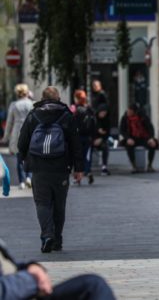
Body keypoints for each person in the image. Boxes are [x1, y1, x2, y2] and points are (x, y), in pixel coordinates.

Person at [17, 86, 83, 253]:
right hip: (61, 167)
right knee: (59, 205)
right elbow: (76, 144)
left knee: (42, 203)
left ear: (42, 97)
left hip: (39, 168)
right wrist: (79, 168)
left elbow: (22, 142)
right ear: (58, 98)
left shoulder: (33, 115)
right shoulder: (67, 115)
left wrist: (24, 159)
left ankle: (47, 235)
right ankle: (57, 241)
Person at [0, 238, 115, 299]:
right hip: (21, 291)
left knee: (93, 284)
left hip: (23, 291)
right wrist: (31, 279)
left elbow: (9, 263)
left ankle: (49, 236)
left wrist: (31, 267)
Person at [2, 84, 34, 190]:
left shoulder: (14, 105)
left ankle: (21, 182)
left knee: (19, 158)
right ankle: (29, 177)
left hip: (17, 132)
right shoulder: (32, 104)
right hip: (30, 132)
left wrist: (5, 137)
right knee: (30, 156)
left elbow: (9, 123)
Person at [119, 103, 158, 173]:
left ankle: (150, 165)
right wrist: (127, 138)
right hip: (132, 137)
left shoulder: (143, 117)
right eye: (128, 110)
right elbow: (122, 130)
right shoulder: (125, 118)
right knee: (129, 146)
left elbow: (150, 128)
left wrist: (151, 138)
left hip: (144, 137)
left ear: (134, 111)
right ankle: (134, 166)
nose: (128, 112)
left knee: (152, 145)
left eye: (130, 111)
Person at [71, 90, 95, 185]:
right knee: (87, 156)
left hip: (77, 137)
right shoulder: (89, 109)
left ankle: (78, 177)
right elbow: (94, 123)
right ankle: (88, 171)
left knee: (77, 157)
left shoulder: (74, 108)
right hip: (88, 137)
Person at [92, 104, 111, 176]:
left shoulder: (107, 120)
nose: (103, 115)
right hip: (92, 139)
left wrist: (101, 138)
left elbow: (107, 133)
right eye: (102, 113)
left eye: (105, 113)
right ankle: (85, 168)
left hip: (101, 140)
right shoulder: (93, 119)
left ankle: (104, 167)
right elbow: (89, 130)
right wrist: (93, 139)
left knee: (105, 147)